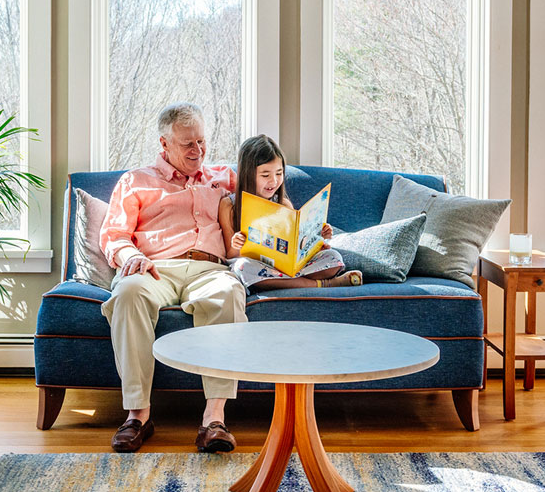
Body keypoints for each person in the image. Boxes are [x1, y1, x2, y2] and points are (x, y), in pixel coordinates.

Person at [99, 103, 246, 454]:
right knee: (127, 295)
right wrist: (130, 256)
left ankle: (214, 419)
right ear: (164, 144)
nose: (198, 151)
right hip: (154, 268)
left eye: (202, 141)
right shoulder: (136, 181)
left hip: (210, 268)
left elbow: (272, 187)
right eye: (187, 144)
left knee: (227, 294)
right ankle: (138, 416)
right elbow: (113, 234)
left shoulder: (223, 178)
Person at [220, 134, 362, 291]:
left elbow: (296, 244)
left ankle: (282, 282)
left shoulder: (283, 204)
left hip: (283, 268)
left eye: (279, 173)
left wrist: (317, 240)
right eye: (265, 175)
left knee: (334, 258)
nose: (274, 181)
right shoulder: (229, 205)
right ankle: (324, 284)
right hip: (254, 265)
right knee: (242, 267)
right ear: (248, 173)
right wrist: (237, 243)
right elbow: (231, 255)